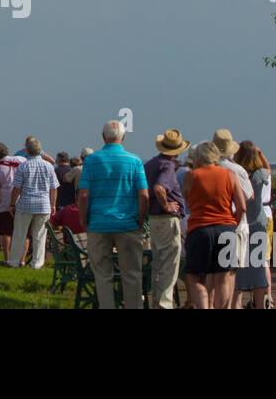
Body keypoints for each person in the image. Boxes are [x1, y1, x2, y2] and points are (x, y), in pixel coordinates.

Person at [78, 120, 148, 309]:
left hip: (99, 223)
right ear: (123, 137)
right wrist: (140, 221)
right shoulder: (135, 161)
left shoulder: (91, 160)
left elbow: (83, 194)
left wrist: (84, 220)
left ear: (103, 137)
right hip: (127, 224)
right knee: (132, 274)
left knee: (102, 275)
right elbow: (144, 195)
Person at [182, 141, 245, 309]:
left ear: (198, 158)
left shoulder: (191, 176)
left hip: (199, 229)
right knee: (223, 278)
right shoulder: (230, 175)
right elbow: (242, 207)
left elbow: (187, 198)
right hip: (226, 229)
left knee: (194, 277)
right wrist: (233, 225)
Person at [145, 129, 190, 309]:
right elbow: (159, 188)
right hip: (166, 219)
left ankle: (157, 302)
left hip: (154, 219)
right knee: (170, 265)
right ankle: (164, 304)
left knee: (158, 263)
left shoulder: (150, 164)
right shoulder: (168, 166)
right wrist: (167, 205)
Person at [7, 137, 58, 269]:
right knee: (40, 235)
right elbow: (54, 188)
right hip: (43, 204)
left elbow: (16, 188)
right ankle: (37, 263)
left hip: (25, 204)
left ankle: (14, 261)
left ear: (27, 151)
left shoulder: (23, 166)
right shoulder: (49, 167)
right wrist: (53, 205)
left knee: (19, 234)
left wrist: (12, 204)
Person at [233, 141, 273, 308]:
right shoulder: (260, 174)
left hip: (240, 224)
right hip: (258, 224)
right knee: (257, 271)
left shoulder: (237, 174)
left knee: (238, 272)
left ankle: (236, 305)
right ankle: (260, 304)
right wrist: (261, 153)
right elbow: (269, 169)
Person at [212, 129, 252, 288]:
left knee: (214, 271)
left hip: (212, 223)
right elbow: (249, 196)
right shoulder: (237, 170)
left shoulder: (206, 169)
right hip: (235, 221)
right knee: (231, 270)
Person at [0, 143, 25, 262]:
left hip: (6, 202)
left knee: (7, 233)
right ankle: (22, 260)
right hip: (24, 201)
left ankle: (7, 259)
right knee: (24, 234)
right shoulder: (21, 160)